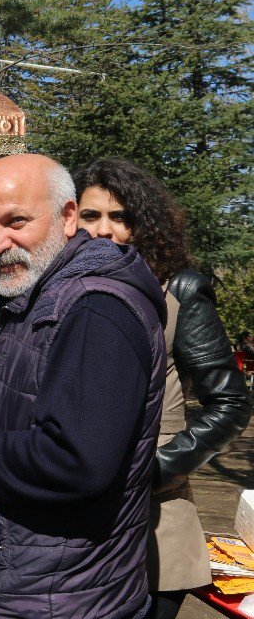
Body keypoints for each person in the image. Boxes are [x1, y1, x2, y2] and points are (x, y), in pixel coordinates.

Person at [0, 154, 167, 619]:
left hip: (60, 603)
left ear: (67, 217)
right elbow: (46, 423)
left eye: (16, 221)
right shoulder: (37, 297)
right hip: (24, 594)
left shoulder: (95, 309)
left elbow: (77, 461)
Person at [73, 158, 252, 619]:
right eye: (91, 216)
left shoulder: (179, 290)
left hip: (155, 519)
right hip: (75, 521)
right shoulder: (64, 290)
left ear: (143, 225)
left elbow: (230, 402)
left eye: (120, 217)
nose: (104, 230)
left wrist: (157, 470)